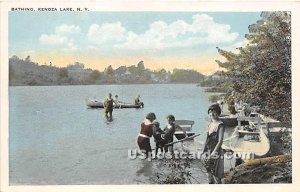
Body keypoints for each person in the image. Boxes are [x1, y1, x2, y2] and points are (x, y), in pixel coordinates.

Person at [202, 104, 225, 184]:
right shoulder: (210, 124)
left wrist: (213, 154)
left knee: (216, 174)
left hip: (216, 151)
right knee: (208, 172)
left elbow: (220, 141)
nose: (211, 115)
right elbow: (207, 139)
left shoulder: (220, 125)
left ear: (218, 113)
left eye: (214, 113)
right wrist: (203, 152)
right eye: (210, 113)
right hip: (208, 150)